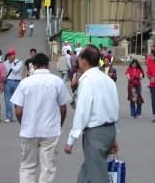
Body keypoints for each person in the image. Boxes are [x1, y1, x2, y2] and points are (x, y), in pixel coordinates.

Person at [10, 53, 71, 183]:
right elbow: (63, 108)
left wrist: (23, 124)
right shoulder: (57, 81)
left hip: (29, 131)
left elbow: (18, 110)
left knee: (27, 166)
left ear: (33, 65)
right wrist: (59, 124)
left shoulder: (25, 83)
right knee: (48, 167)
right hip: (50, 131)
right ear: (48, 64)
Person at [64, 45, 119, 183]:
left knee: (97, 174)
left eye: (79, 58)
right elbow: (113, 107)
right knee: (89, 170)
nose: (77, 62)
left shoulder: (88, 81)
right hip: (108, 129)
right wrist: (113, 136)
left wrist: (71, 139)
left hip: (95, 133)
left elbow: (82, 111)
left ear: (84, 61)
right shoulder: (107, 80)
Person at [3, 47, 23, 122]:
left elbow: (16, 70)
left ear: (14, 55)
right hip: (8, 82)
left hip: (17, 82)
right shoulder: (5, 63)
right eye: (8, 55)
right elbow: (3, 73)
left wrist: (11, 63)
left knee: (17, 100)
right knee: (7, 100)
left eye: (11, 55)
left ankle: (19, 115)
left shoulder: (19, 62)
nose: (9, 56)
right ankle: (9, 117)